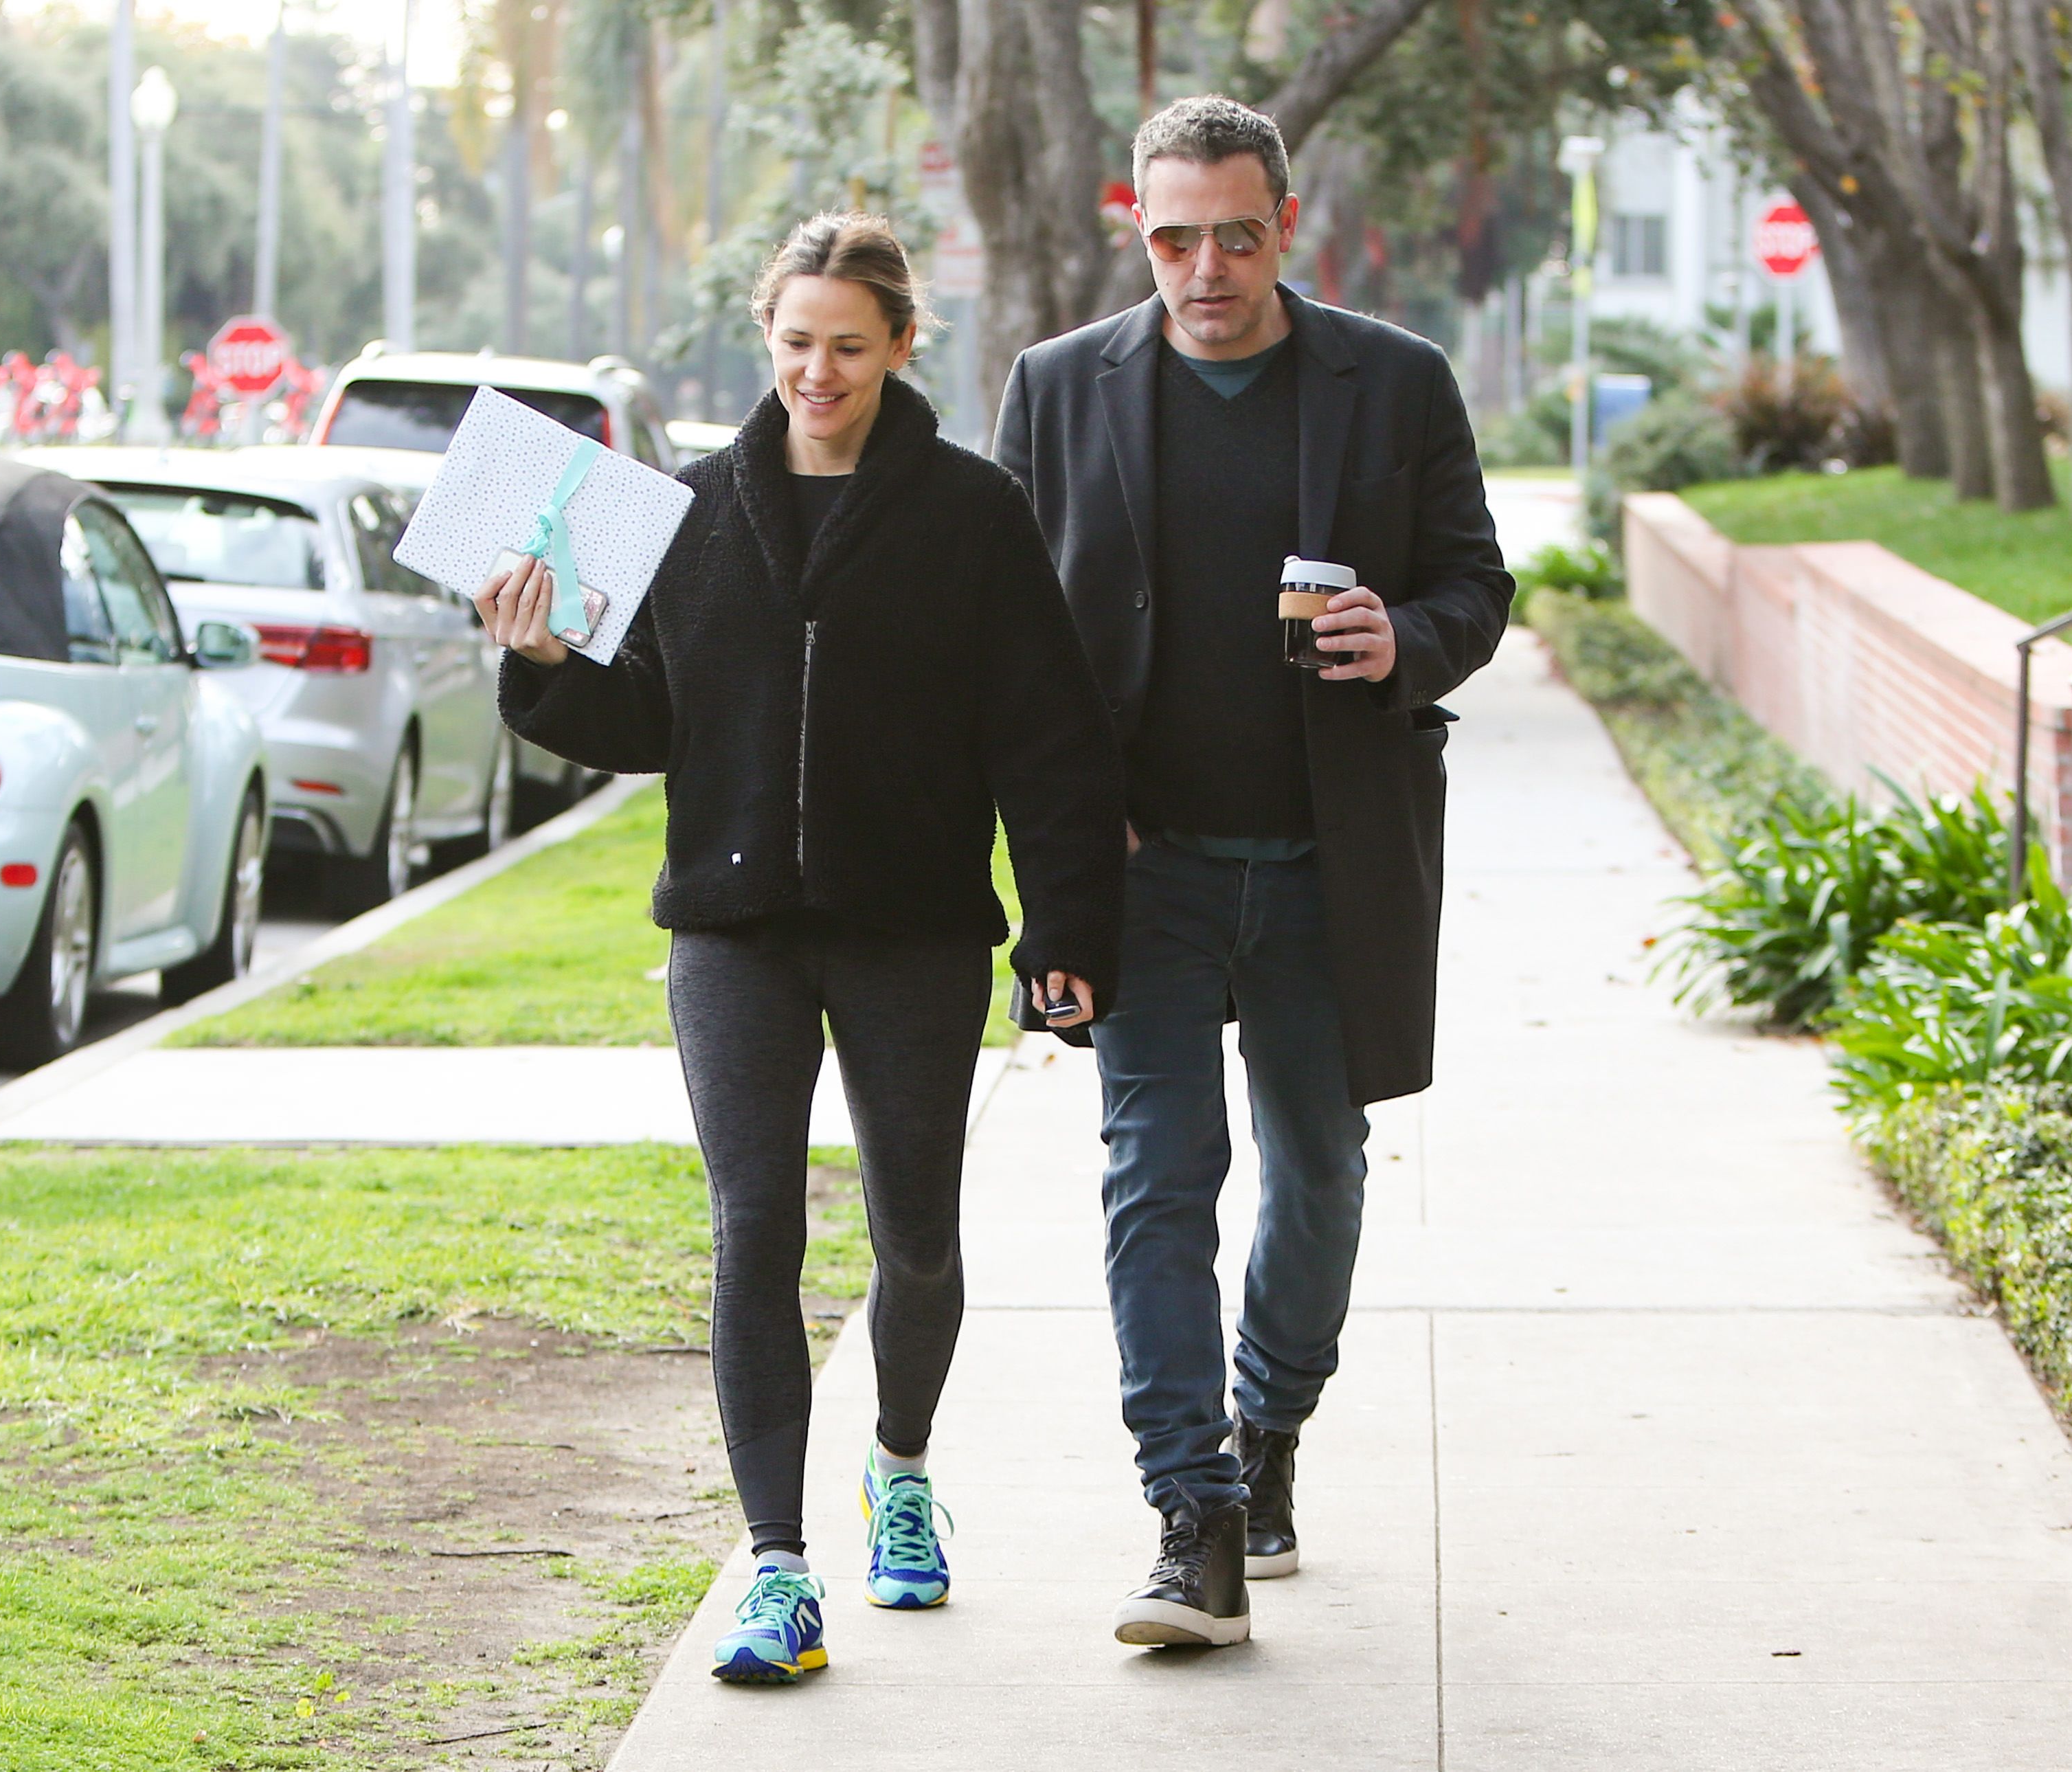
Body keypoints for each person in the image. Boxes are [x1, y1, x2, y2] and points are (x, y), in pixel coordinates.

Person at [480, 212, 1126, 1684]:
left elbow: (1049, 740)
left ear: (900, 345)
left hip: (910, 933)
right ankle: (775, 1567)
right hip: (732, 933)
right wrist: (538, 664)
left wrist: (1065, 930)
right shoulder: (691, 511)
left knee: (911, 1230)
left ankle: (898, 1477)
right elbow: (646, 719)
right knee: (753, 1230)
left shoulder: (972, 515)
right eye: (793, 346)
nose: (817, 372)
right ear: (762, 344)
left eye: (847, 345)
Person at [994, 96, 1514, 1648]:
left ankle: (1268, 1423)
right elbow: (1009, 642)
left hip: (1323, 861)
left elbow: (1474, 583)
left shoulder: (1392, 382)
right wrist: (1069, 836)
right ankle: (1191, 1513)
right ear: (1133, 229)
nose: (1202, 266)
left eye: (1233, 233)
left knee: (1319, 1171)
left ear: (1285, 224)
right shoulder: (1057, 388)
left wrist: (1401, 640)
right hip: (1139, 875)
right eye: (1171, 237)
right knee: (1155, 1183)